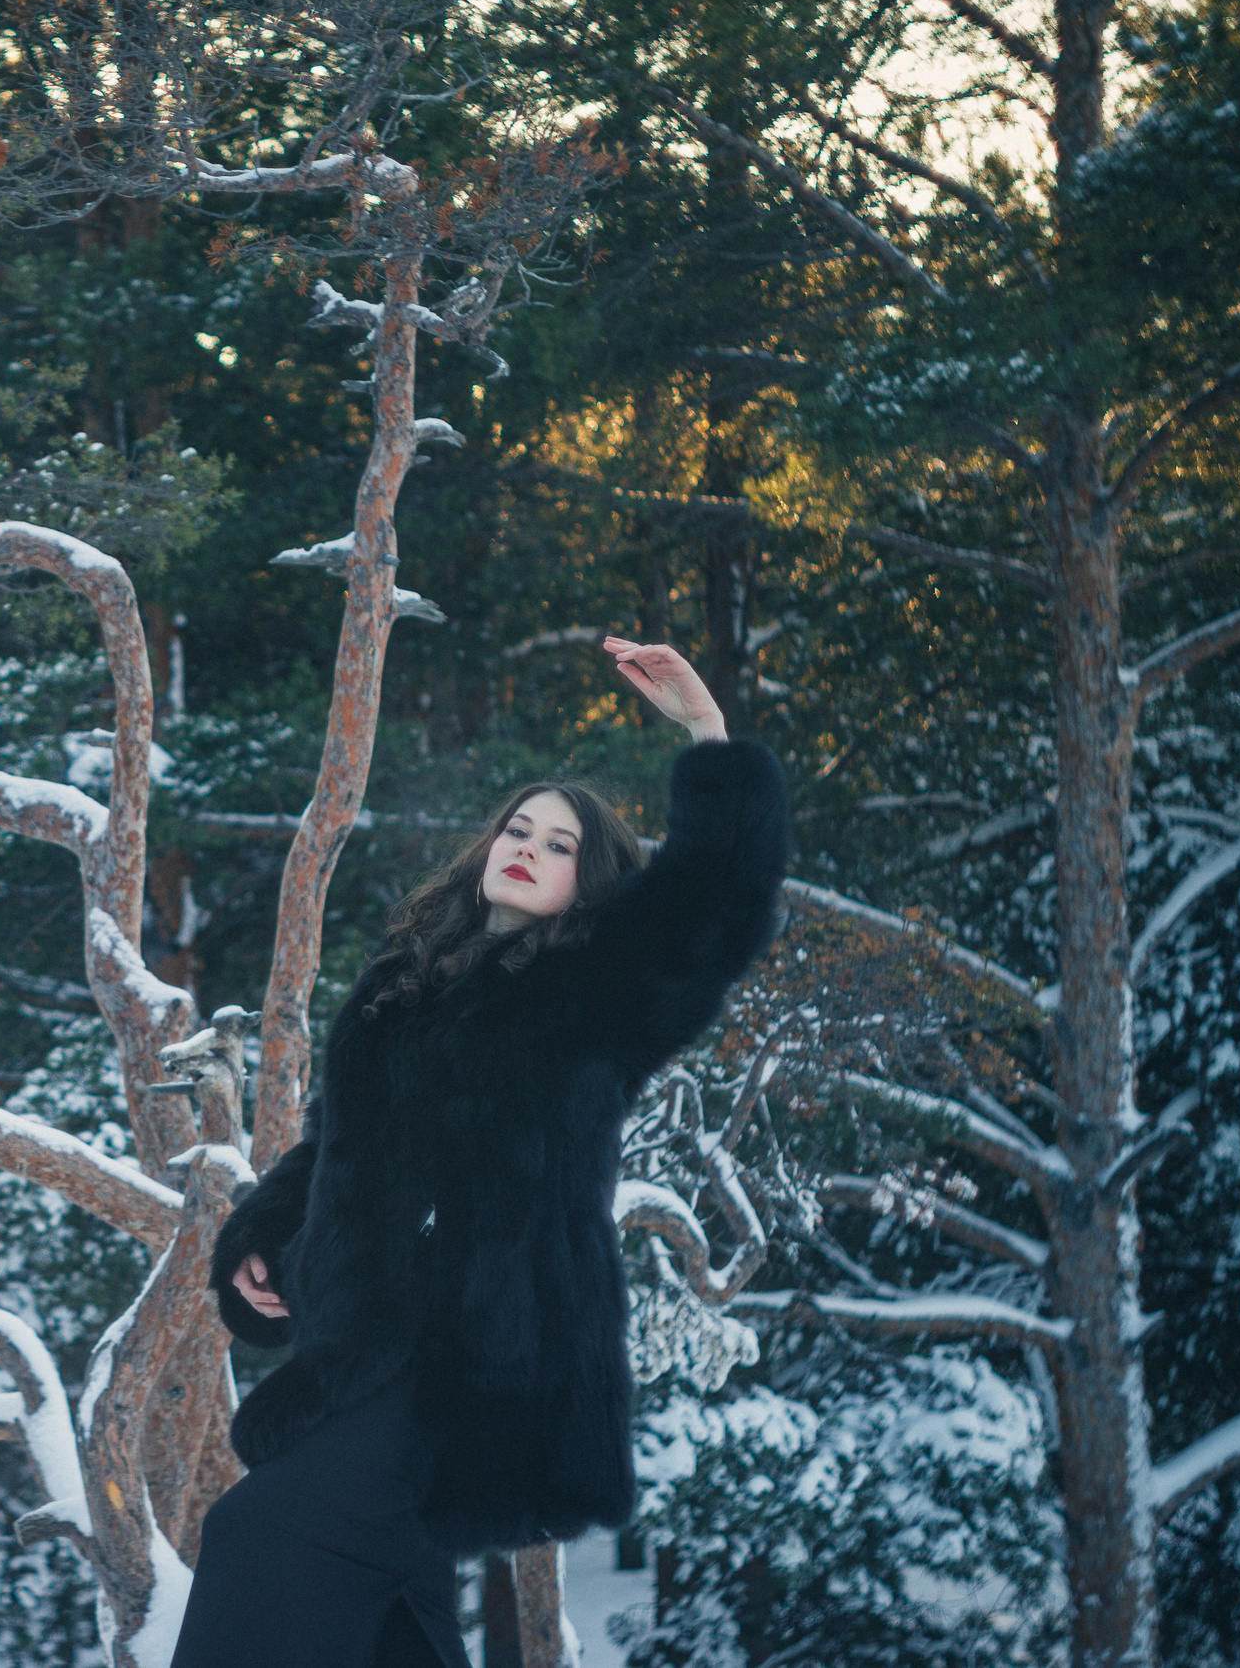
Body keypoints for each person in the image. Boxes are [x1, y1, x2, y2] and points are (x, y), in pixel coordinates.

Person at [170, 637, 791, 1668]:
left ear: (587, 883)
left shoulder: (595, 994)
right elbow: (333, 1151)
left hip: (481, 1362)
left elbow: (711, 904)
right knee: (393, 1623)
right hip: (366, 1349)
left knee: (256, 1535)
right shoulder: (393, 995)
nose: (528, 847)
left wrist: (705, 731)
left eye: (558, 845)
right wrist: (261, 1239)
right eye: (519, 829)